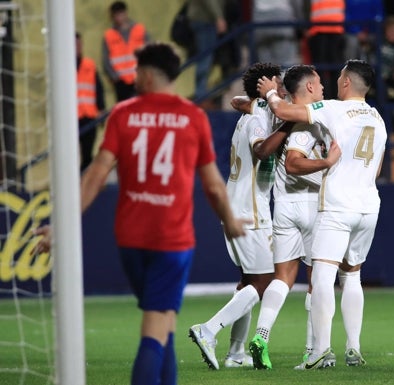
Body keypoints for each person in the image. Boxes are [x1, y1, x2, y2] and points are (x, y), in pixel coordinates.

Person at [34, 42, 247, 385]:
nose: (134, 77)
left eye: (136, 72)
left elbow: (95, 175)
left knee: (164, 322)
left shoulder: (123, 113)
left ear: (147, 75)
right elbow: (213, 185)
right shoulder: (192, 117)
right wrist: (231, 220)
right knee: (155, 325)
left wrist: (62, 225)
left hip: (130, 239)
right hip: (171, 240)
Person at [257, 59, 387, 369]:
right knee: (352, 275)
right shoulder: (378, 118)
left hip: (338, 205)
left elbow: (285, 112)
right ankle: (353, 348)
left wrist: (272, 94)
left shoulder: (335, 109)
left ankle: (319, 351)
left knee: (324, 275)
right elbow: (378, 167)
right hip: (369, 205)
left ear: (345, 83)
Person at [188, 62, 289, 370]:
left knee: (248, 280)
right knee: (266, 280)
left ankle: (235, 353)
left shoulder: (255, 111)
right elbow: (261, 150)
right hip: (251, 210)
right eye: (277, 81)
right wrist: (287, 127)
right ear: (266, 83)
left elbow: (239, 102)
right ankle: (209, 330)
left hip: (241, 205)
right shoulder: (258, 117)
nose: (282, 86)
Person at [246, 64, 341, 370]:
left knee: (283, 278)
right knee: (317, 281)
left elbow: (246, 102)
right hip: (312, 205)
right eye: (320, 84)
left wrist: (259, 98)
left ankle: (261, 335)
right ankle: (313, 351)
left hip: (283, 204)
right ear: (310, 88)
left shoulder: (279, 113)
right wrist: (327, 162)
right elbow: (294, 163)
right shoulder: (309, 120)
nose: (324, 89)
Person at [102, 1, 149, 102]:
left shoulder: (139, 30)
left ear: (125, 13)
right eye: (116, 15)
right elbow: (106, 60)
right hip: (121, 82)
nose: (119, 17)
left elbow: (150, 52)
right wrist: (115, 77)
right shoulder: (109, 35)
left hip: (140, 78)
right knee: (125, 112)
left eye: (120, 14)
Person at [76, 32, 105, 172]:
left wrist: (101, 108)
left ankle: (85, 180)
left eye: (79, 44)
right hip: (71, 117)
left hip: (88, 114)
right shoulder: (61, 67)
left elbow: (98, 88)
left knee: (88, 153)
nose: (77, 47)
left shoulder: (89, 65)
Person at [187, 0, 227, 100]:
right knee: (205, 58)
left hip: (202, 19)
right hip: (205, 20)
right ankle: (201, 95)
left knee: (206, 58)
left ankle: (201, 93)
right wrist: (218, 17)